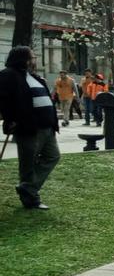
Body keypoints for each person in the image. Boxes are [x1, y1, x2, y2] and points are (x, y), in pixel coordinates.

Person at [0, 46, 60, 210]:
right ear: (23, 59)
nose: (34, 61)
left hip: (47, 127)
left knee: (52, 156)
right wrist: (10, 119)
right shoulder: (8, 75)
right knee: (27, 164)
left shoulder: (34, 77)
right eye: (32, 58)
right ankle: (31, 199)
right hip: (29, 127)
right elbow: (4, 100)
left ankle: (28, 187)